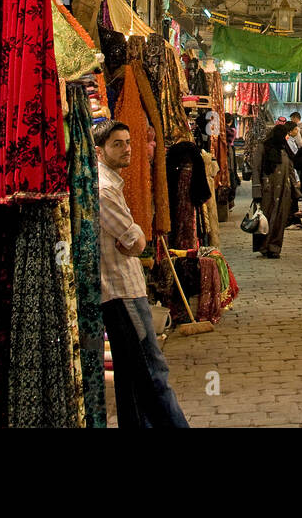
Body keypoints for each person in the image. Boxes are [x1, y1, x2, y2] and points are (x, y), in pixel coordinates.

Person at [94, 122, 189, 428]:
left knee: (131, 370)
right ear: (99, 151)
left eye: (128, 141)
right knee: (152, 368)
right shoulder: (104, 190)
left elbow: (132, 240)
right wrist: (136, 237)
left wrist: (134, 237)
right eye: (117, 144)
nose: (127, 148)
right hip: (121, 289)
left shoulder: (111, 183)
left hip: (123, 286)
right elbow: (135, 240)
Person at [257, 120, 298, 258]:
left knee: (280, 219)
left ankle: (275, 247)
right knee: (266, 218)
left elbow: (291, 168)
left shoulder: (285, 148)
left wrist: (294, 189)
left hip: (283, 191)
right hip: (268, 189)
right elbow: (257, 170)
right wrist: (257, 191)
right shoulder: (264, 147)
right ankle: (263, 246)